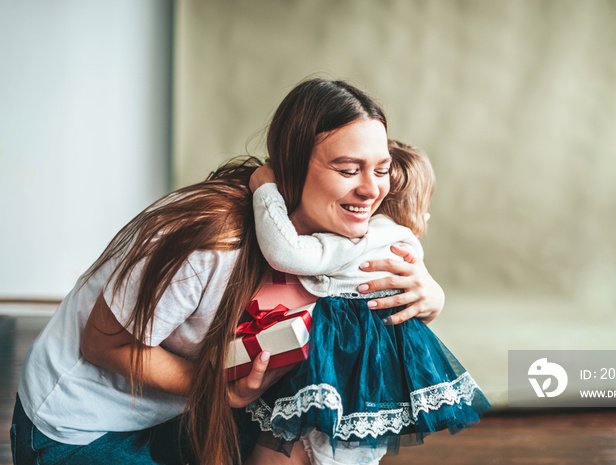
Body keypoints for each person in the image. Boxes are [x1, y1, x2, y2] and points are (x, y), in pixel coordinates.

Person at [10, 78, 447, 465]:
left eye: (381, 170)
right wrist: (216, 390)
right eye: (348, 170)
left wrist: (427, 297)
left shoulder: (350, 237)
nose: (371, 190)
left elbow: (370, 330)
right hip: (84, 428)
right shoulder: (213, 239)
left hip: (190, 410)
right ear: (293, 168)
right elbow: (102, 340)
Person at [245, 140, 490, 464]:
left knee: (276, 452)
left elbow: (285, 251)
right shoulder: (405, 244)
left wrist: (265, 190)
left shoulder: (363, 237)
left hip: (331, 377)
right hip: (372, 392)